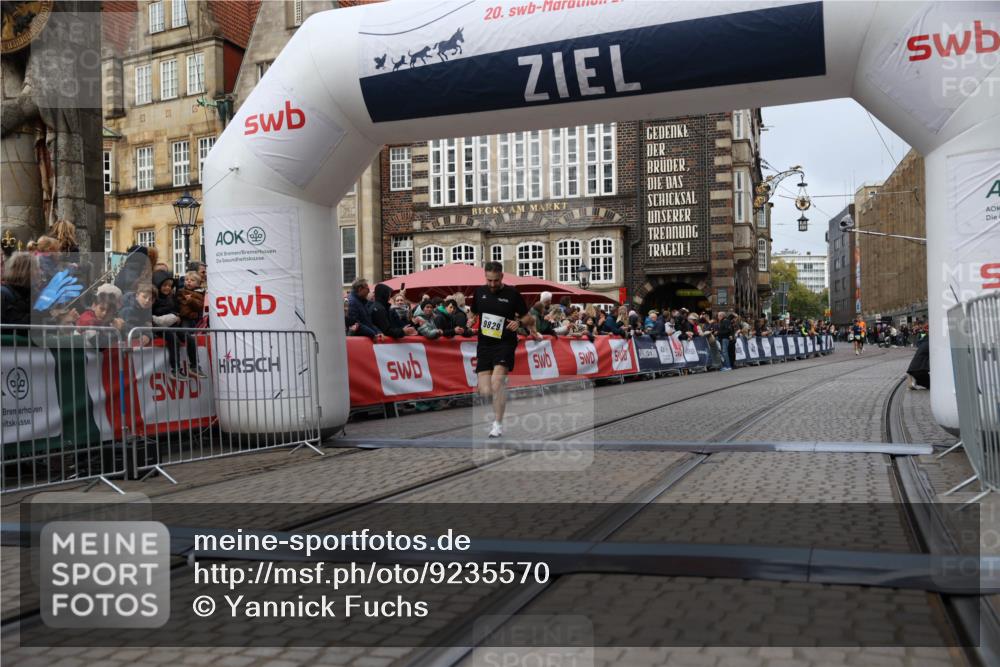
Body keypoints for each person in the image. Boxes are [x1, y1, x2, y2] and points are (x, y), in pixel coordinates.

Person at [471, 261, 536, 438]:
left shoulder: (512, 294)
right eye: (489, 280)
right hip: (484, 344)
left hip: (505, 343)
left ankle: (497, 424)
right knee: (485, 390)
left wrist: (519, 322)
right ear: (485, 277)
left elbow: (529, 319)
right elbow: (473, 312)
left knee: (497, 382)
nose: (492, 284)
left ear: (502, 276)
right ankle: (498, 391)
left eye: (496, 280)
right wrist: (470, 319)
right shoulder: (479, 292)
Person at [152, 270, 205, 380]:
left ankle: (194, 366)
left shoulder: (171, 297)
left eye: (170, 286)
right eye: (165, 285)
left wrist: (176, 315)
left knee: (189, 338)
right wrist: (172, 316)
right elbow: (154, 314)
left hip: (172, 325)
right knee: (174, 339)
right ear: (158, 284)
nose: (168, 288)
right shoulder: (154, 298)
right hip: (159, 327)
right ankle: (175, 370)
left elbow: (177, 309)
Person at [1, 252, 37, 332]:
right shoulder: (3, 294)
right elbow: (17, 324)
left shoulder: (28, 293)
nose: (39, 272)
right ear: (26, 271)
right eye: (36, 269)